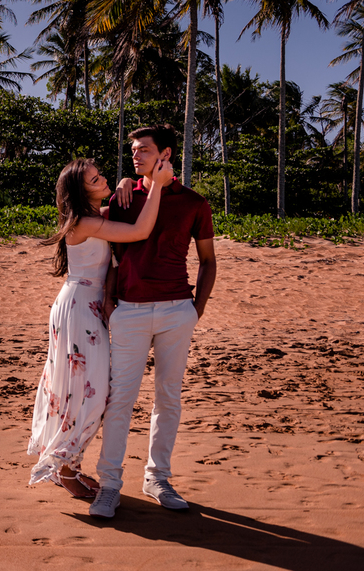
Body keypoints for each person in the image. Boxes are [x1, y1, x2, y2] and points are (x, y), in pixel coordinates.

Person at [88, 124, 217, 519]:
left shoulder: (195, 203)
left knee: (169, 398)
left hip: (177, 310)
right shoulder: (123, 198)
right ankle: (109, 485)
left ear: (165, 154)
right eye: (133, 151)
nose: (136, 155)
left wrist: (196, 309)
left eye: (144, 150)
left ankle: (157, 478)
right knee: (120, 400)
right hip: (130, 311)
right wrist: (112, 302)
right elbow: (111, 258)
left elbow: (209, 261)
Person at [28, 155, 173, 498]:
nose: (103, 180)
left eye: (101, 175)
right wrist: (159, 188)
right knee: (88, 393)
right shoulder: (84, 223)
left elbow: (119, 218)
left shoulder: (95, 217)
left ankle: (69, 466)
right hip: (78, 308)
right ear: (80, 192)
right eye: (95, 180)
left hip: (86, 306)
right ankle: (65, 468)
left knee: (84, 390)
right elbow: (140, 230)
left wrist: (125, 184)